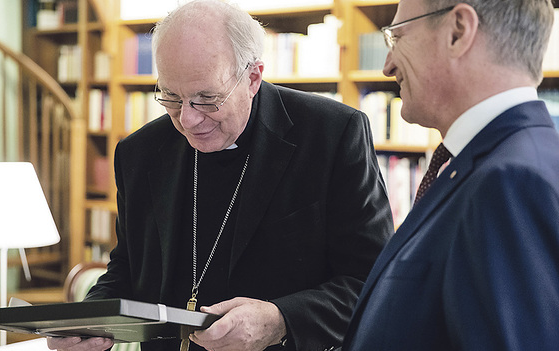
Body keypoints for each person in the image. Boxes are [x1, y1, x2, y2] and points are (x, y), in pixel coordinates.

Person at [48, 1, 393, 350]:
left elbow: (373, 280)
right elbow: (127, 268)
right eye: (170, 96)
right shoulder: (139, 152)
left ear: (253, 77)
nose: (187, 120)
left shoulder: (331, 135)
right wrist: (88, 320)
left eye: (206, 98)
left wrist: (280, 319)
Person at [341, 0, 559, 350]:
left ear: (457, 31)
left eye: (396, 37)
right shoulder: (500, 162)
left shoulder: (510, 183)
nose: (387, 65)